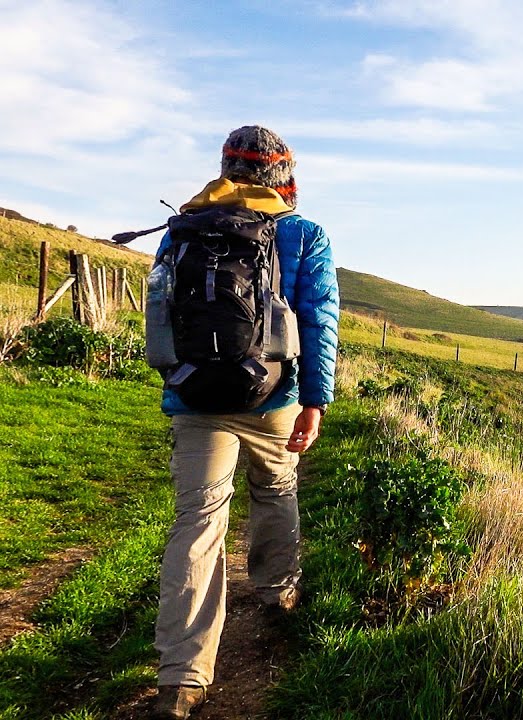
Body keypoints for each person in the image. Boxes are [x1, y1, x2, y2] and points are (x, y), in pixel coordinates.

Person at [150, 126, 339, 720]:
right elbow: (318, 320)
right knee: (275, 490)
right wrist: (315, 400)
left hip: (195, 399)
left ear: (226, 168)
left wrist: (178, 380)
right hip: (273, 396)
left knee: (198, 522)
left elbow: (162, 314)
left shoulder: (183, 228)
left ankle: (181, 677)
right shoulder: (303, 234)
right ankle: (277, 592)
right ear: (284, 176)